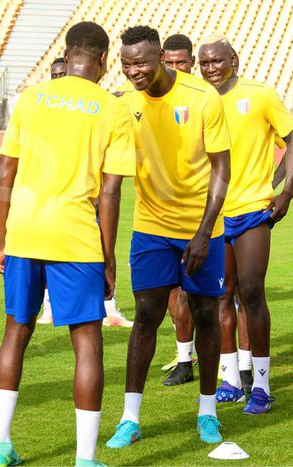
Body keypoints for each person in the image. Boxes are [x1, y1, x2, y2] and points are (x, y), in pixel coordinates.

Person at [0, 21, 135, 467]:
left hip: (24, 232)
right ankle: (85, 459)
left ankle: (0, 446)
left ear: (67, 53)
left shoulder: (31, 98)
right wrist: (108, 257)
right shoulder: (114, 110)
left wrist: (5, 239)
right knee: (87, 343)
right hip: (76, 237)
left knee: (15, 333)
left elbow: (3, 174)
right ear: (105, 60)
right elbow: (110, 192)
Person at [107, 26, 230, 448]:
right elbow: (111, 175)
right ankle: (129, 418)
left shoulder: (202, 97)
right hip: (151, 228)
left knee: (206, 315)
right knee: (146, 315)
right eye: (126, 64)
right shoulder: (126, 105)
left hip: (202, 229)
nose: (133, 72)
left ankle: (208, 412)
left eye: (141, 63)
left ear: (160, 57)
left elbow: (221, 167)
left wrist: (203, 233)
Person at [197, 34, 293, 411]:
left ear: (234, 60)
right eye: (204, 63)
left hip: (253, 210)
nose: (210, 68)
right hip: (211, 215)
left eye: (216, 61)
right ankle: (230, 380)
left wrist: (285, 189)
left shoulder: (260, 94)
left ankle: (261, 385)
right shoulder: (198, 100)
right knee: (220, 296)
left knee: (252, 293)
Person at [38, 57, 134, 329]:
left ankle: (108, 308)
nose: (60, 79)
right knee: (50, 252)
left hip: (90, 197)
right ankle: (50, 307)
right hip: (53, 201)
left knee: (101, 248)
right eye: (55, 75)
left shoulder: (97, 107)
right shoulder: (45, 110)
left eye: (63, 73)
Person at [157, 32, 198, 386]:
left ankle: (229, 364)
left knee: (210, 292)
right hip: (161, 211)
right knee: (171, 287)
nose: (175, 68)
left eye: (181, 62)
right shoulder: (152, 97)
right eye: (168, 62)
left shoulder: (205, 98)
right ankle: (185, 357)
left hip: (202, 210)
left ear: (192, 63)